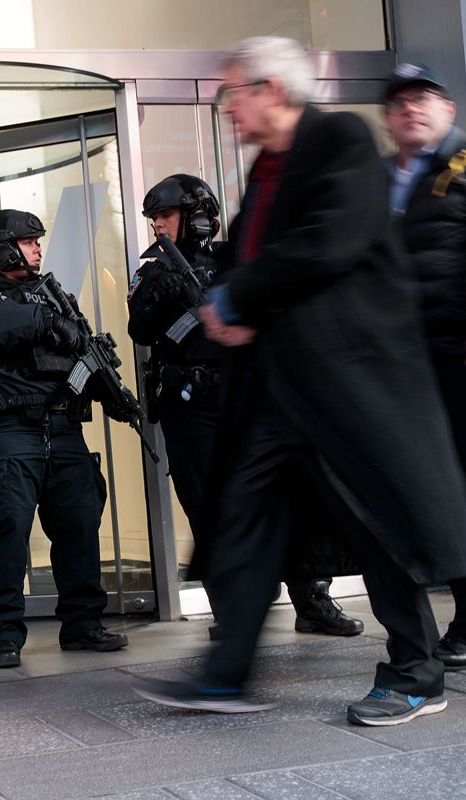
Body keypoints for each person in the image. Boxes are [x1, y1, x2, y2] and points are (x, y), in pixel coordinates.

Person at [134, 37, 466, 727]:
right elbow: (246, 256)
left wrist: (237, 300)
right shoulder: (267, 165)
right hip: (275, 387)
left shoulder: (339, 138)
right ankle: (225, 676)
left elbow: (330, 240)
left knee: (372, 520)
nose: (229, 108)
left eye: (235, 93)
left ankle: (416, 673)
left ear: (272, 89)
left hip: (345, 382)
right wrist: (226, 305)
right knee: (246, 519)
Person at [128, 174, 362, 638]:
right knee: (209, 506)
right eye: (153, 217)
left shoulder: (232, 258)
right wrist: (160, 295)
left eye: (166, 215)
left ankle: (312, 601)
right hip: (191, 405)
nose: (157, 225)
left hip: (245, 396)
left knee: (283, 495)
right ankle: (233, 611)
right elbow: (140, 329)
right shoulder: (152, 270)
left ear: (197, 216)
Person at [0, 209, 129, 669]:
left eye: (38, 242)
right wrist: (45, 322)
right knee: (6, 535)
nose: (37, 249)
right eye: (28, 242)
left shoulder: (53, 296)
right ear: (0, 248)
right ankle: (4, 636)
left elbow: (81, 353)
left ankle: (83, 625)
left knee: (79, 527)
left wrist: (111, 392)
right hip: (8, 431)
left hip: (63, 428)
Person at [382, 63, 466, 670]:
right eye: (399, 102)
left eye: (423, 98)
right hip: (407, 367)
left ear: (448, 109)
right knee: (429, 494)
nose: (411, 108)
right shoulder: (383, 178)